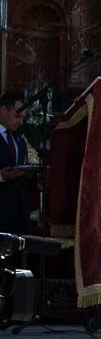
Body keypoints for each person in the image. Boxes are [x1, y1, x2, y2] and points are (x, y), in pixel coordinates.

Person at [0, 90, 32, 234]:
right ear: (3, 110)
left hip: (19, 217)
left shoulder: (19, 139)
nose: (21, 122)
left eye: (23, 118)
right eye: (17, 116)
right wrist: (1, 176)